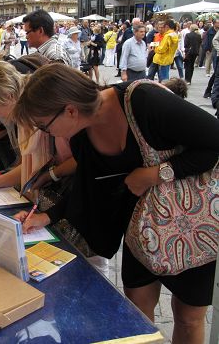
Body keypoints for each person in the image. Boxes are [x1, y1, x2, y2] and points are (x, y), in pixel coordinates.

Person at [13, 63, 219, 344]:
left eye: (44, 125)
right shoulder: (82, 138)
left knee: (188, 316)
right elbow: (90, 188)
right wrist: (46, 217)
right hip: (140, 229)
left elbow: (213, 141)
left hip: (190, 223)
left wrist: (155, 174)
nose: (45, 133)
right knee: (136, 310)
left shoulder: (143, 101)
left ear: (70, 110)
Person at [0, 60, 110, 276]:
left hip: (83, 208)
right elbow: (32, 165)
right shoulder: (33, 115)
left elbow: (84, 162)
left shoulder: (46, 114)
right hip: (60, 204)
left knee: (89, 270)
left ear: (7, 95)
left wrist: (52, 174)